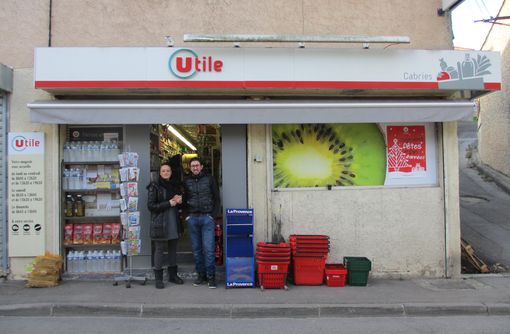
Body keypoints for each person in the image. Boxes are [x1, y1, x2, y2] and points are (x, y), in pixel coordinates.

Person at [183, 157, 220, 289]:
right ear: (190, 167)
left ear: (202, 166)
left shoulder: (210, 179)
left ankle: (211, 277)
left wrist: (213, 216)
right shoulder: (186, 181)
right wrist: (186, 216)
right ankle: (201, 275)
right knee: (196, 250)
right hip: (192, 218)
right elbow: (183, 198)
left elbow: (217, 198)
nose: (195, 168)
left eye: (197, 165)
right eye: (193, 166)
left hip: (206, 218)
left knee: (209, 249)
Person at [147, 163, 184, 289]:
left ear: (171, 172)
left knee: (173, 249)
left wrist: (179, 200)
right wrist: (169, 203)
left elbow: (176, 202)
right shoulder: (154, 186)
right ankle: (158, 279)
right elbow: (151, 206)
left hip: (173, 219)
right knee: (159, 250)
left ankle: (173, 276)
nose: (166, 172)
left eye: (168, 170)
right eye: (163, 170)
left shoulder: (174, 185)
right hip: (160, 221)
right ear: (160, 172)